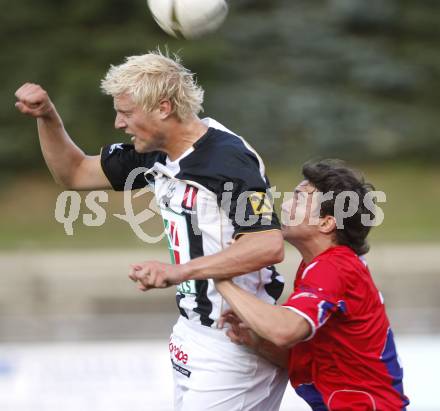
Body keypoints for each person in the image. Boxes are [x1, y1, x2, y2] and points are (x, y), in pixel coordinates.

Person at [15, 51, 288, 410]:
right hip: (194, 332)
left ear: (163, 108)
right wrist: (48, 116)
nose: (118, 123)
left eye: (126, 113)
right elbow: (76, 173)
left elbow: (267, 244)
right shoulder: (155, 153)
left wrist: (177, 272)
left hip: (233, 340)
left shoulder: (227, 159)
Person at [215, 160, 410, 411]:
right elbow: (310, 361)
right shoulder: (321, 267)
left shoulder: (333, 268)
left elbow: (283, 330)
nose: (284, 205)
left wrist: (222, 276)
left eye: (298, 199)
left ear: (327, 223)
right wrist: (256, 340)